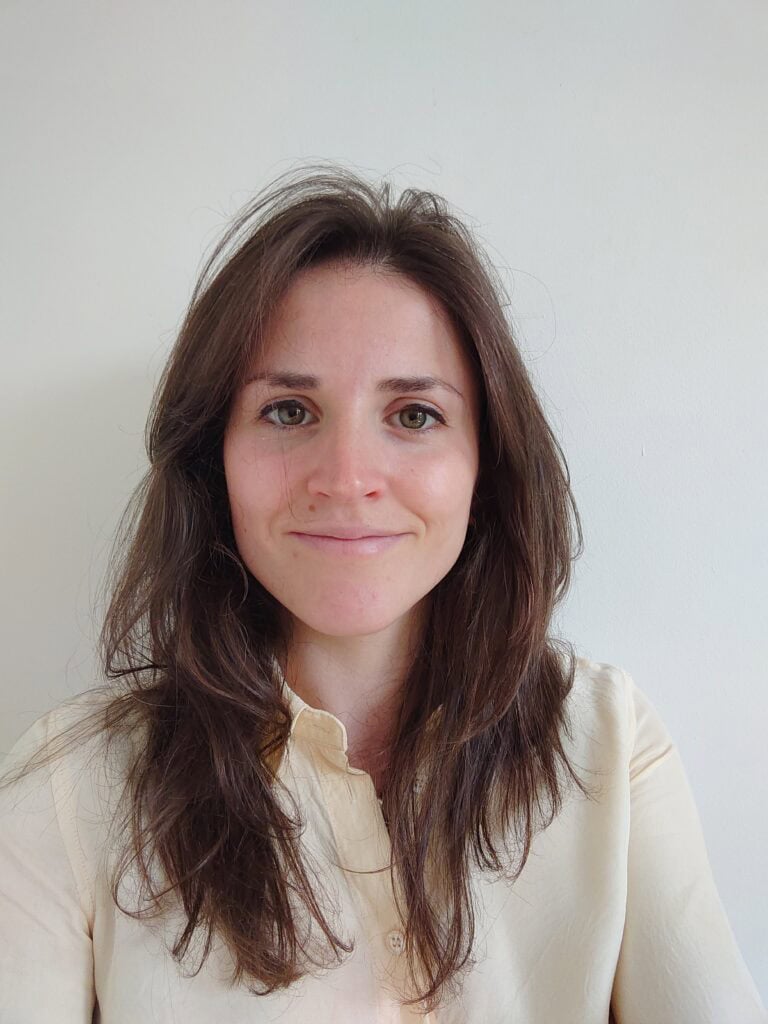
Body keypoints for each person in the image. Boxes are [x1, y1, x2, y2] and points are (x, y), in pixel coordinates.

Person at [0, 165, 764, 1024]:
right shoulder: (67, 790)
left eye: (414, 415)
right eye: (288, 411)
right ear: (213, 457)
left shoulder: (612, 744)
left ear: (488, 462)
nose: (348, 477)